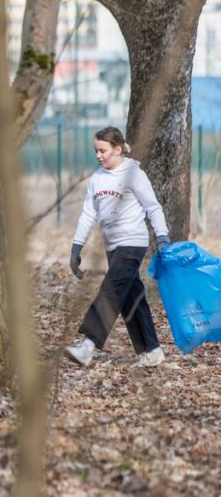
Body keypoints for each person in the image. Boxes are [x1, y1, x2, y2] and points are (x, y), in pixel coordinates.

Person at [65, 126, 170, 368]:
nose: (98, 155)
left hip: (133, 243)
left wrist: (162, 236)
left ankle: (88, 347)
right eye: (96, 151)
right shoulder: (97, 178)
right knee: (132, 299)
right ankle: (152, 350)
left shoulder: (134, 174)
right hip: (113, 246)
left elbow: (153, 207)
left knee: (110, 291)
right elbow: (87, 214)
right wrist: (76, 247)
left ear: (118, 149)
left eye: (103, 150)